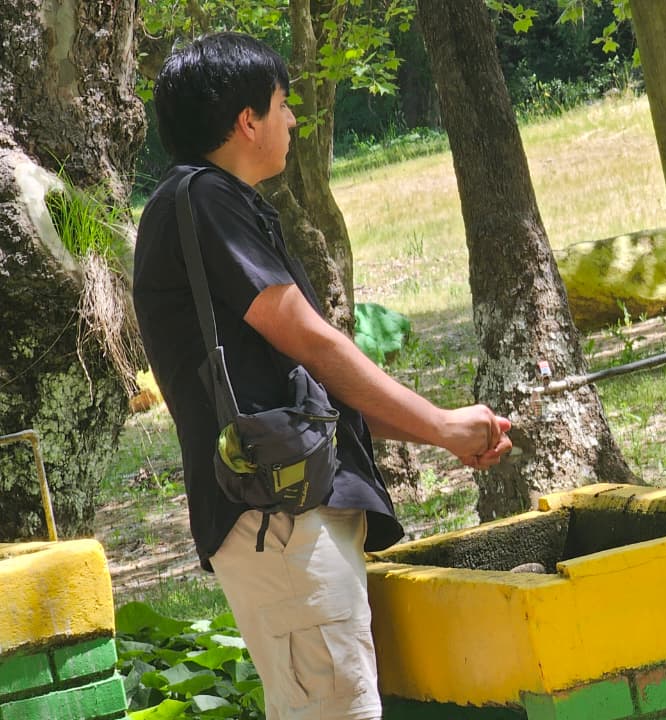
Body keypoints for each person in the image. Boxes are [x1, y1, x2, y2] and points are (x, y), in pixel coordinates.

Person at [133, 32, 512, 720]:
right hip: (277, 523)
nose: (294, 120)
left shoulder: (214, 204)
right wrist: (444, 424)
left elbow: (323, 387)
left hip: (287, 516)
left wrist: (447, 435)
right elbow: (311, 340)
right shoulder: (203, 200)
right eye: (282, 105)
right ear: (246, 121)